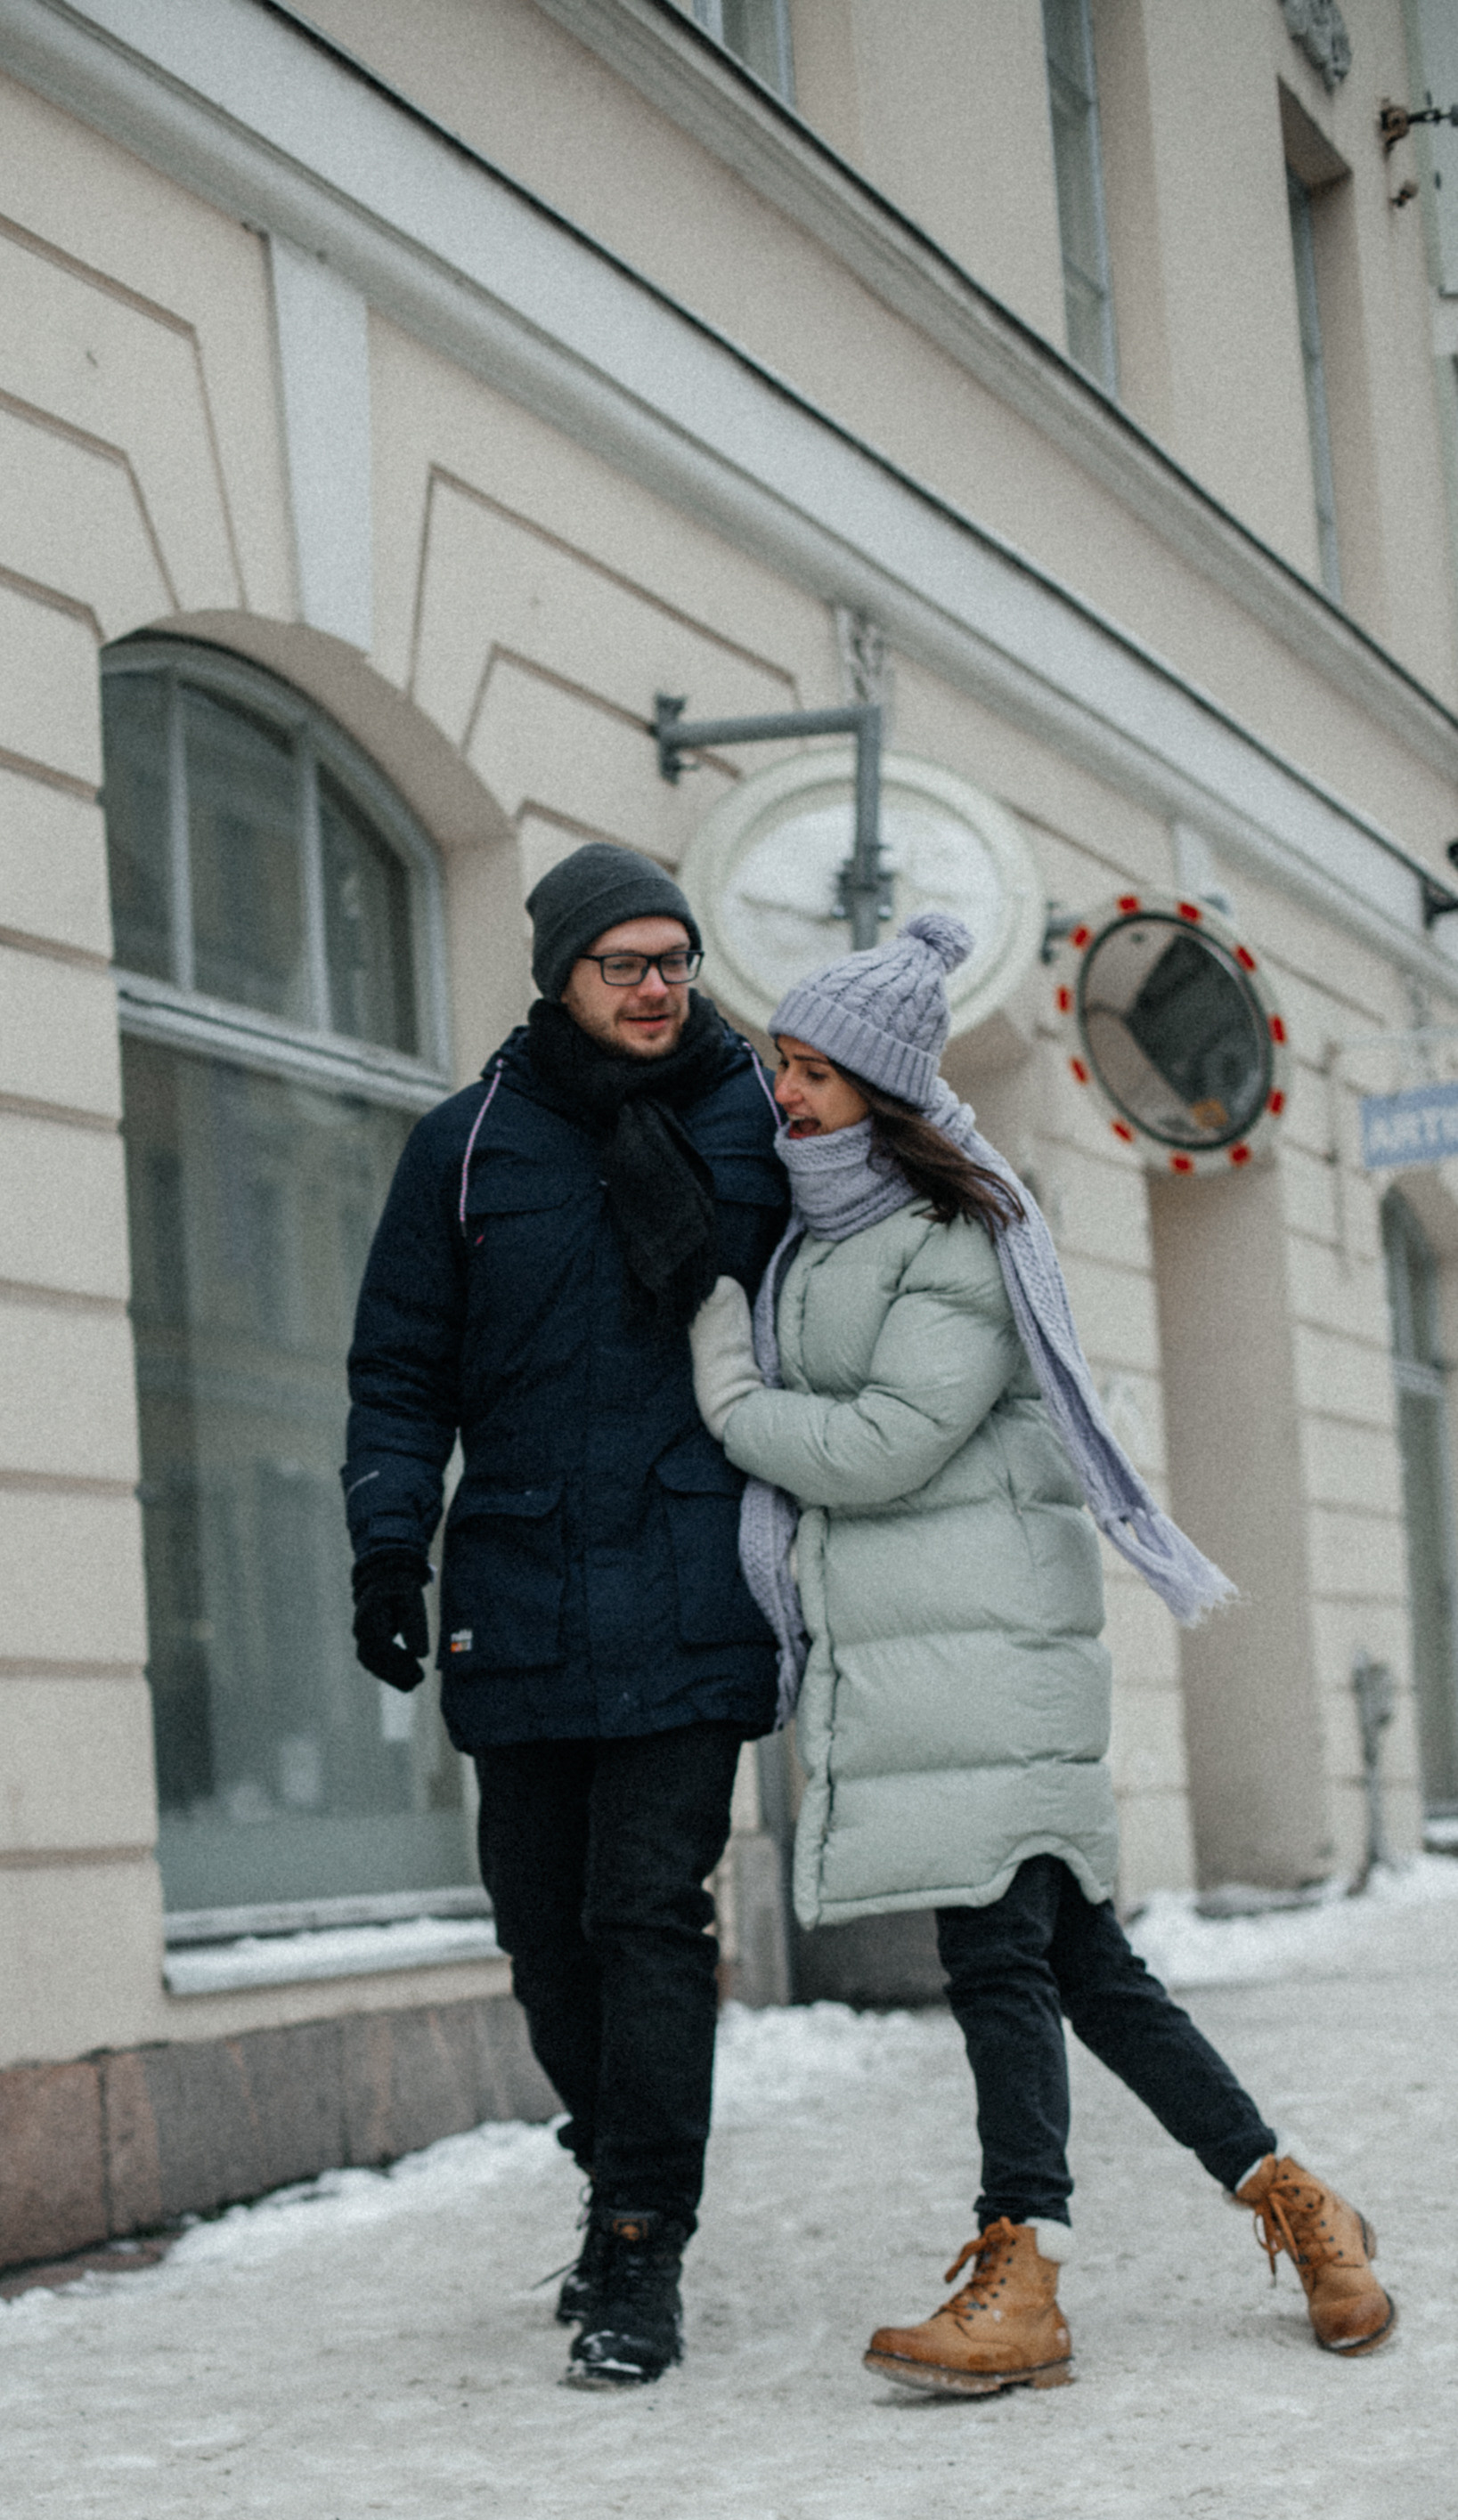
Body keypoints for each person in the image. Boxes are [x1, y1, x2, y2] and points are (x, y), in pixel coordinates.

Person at [686, 907, 1396, 2390]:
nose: (787, 1097)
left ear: (879, 1090)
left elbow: (881, 1447)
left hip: (988, 1649)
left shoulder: (953, 1231)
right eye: (780, 1066)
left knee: (996, 1954)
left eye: (812, 1071)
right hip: (921, 1654)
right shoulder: (821, 1237)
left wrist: (727, 1388)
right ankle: (1298, 2202)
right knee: (1089, 1971)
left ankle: (1024, 2280)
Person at [344, 843, 788, 2386]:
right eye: (626, 965)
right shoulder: (465, 1149)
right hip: (519, 1584)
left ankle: (639, 2248)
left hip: (691, 1571)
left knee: (646, 1915)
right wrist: (385, 1548)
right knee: (543, 1933)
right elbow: (401, 1371)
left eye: (675, 962)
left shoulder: (760, 1118)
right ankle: (619, 2171)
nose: (658, 990)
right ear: (561, 978)